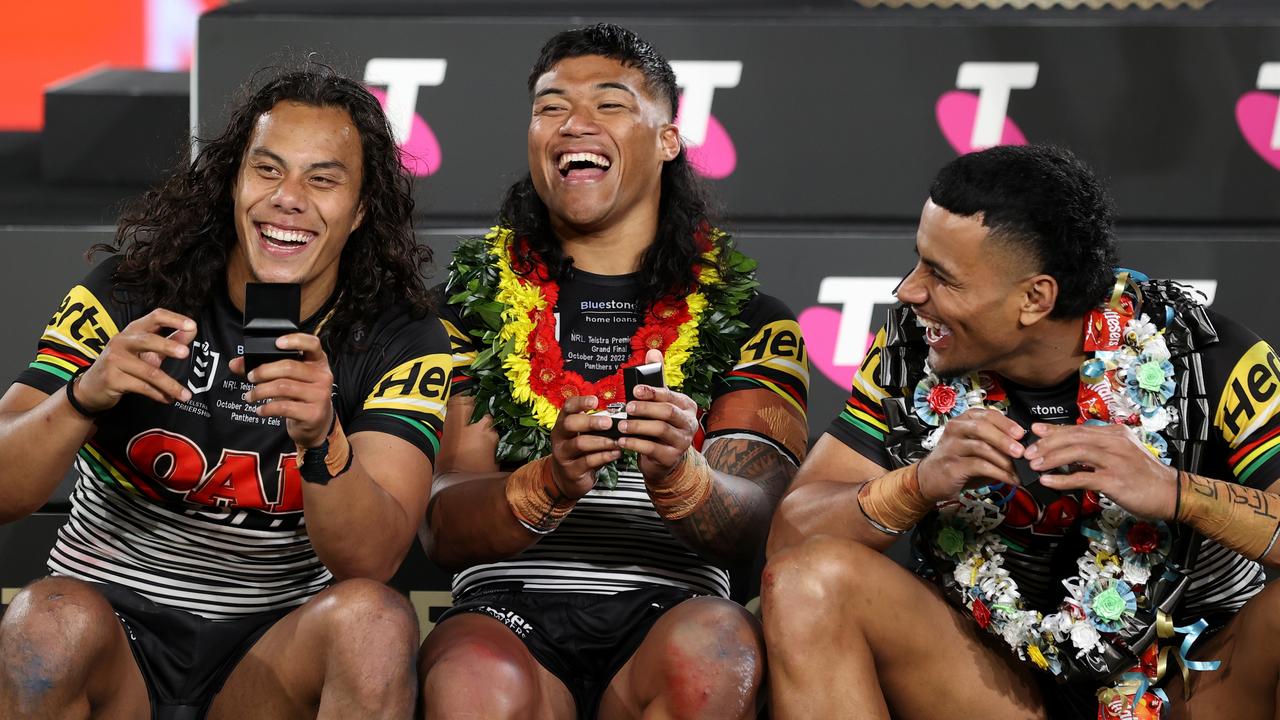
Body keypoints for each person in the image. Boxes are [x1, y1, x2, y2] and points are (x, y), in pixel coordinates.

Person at [761, 143, 1280, 720]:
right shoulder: (912, 349)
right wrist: (916, 484)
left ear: (1035, 297)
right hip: (997, 690)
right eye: (918, 261)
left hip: (1186, 688)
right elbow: (790, 537)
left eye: (942, 276)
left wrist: (1177, 493)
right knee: (808, 582)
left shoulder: (1205, 352)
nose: (908, 290)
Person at [0, 67, 451, 719]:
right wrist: (84, 394)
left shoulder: (398, 339)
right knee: (44, 621)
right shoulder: (131, 293)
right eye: (267, 170)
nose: (287, 198)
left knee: (374, 623)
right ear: (233, 182)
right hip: (113, 642)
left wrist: (322, 437)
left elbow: (371, 560)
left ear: (359, 211)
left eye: (321, 179)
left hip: (267, 662)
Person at [418, 23, 810, 720]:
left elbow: (759, 522)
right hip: (508, 610)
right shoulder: (465, 312)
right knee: (475, 682)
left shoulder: (752, 320)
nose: (574, 123)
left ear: (668, 138)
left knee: (715, 654)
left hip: (677, 608)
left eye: (610, 103)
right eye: (550, 106)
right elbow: (441, 525)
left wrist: (681, 477)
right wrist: (549, 481)